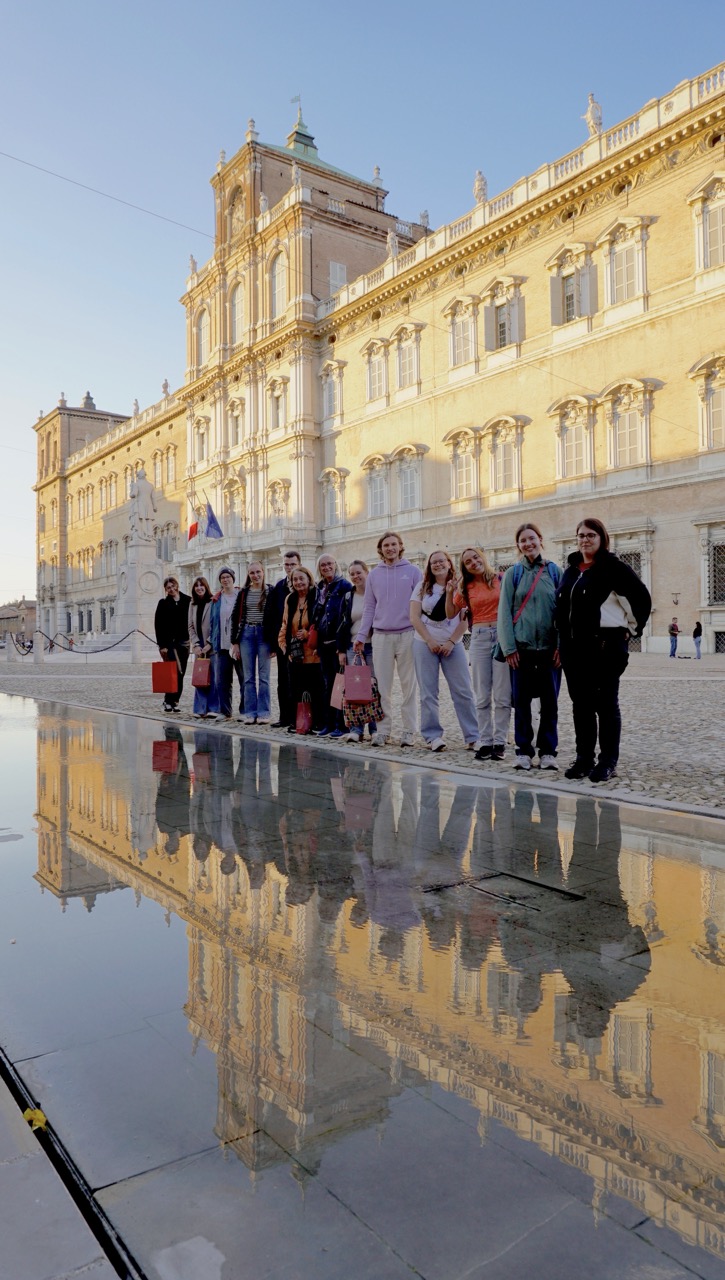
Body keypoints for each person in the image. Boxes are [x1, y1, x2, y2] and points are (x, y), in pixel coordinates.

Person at [555, 517, 651, 783]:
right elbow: (562, 606)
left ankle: (608, 760)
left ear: (601, 538)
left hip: (604, 647)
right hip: (573, 649)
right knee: (581, 706)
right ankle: (584, 758)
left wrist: (630, 629)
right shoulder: (572, 570)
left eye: (591, 535)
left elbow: (640, 598)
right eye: (581, 535)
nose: (585, 540)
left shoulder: (613, 568)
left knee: (606, 705)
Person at [496, 523, 562, 771]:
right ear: (518, 545)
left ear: (540, 540)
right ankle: (523, 751)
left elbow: (563, 613)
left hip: (548, 649)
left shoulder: (555, 572)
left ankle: (548, 752)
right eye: (523, 540)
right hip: (521, 650)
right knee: (521, 703)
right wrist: (509, 648)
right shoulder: (513, 574)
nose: (528, 544)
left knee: (550, 704)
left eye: (532, 538)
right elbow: (504, 612)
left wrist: (560, 646)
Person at [353, 531, 422, 746]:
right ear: (380, 549)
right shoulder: (374, 574)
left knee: (408, 686)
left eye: (393, 544)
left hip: (407, 634)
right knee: (383, 686)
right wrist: (362, 635)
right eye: (386, 545)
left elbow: (420, 604)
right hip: (381, 636)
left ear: (400, 546)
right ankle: (383, 730)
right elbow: (369, 607)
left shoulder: (413, 572)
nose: (390, 548)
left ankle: (409, 731)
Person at [446, 546, 512, 761]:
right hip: (480, 637)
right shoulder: (466, 587)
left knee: (502, 694)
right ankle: (486, 740)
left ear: (482, 557)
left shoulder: (501, 579)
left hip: (502, 636)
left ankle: (500, 741)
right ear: (465, 568)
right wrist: (449, 592)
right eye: (468, 561)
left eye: (475, 557)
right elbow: (450, 613)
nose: (474, 562)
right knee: (482, 693)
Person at [410, 550, 478, 752]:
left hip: (453, 643)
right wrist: (429, 640)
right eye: (433, 562)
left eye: (441, 561)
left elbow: (464, 618)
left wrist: (451, 641)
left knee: (463, 690)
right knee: (428, 692)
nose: (438, 564)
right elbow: (414, 617)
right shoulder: (422, 587)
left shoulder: (461, 585)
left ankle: (473, 735)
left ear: (450, 563)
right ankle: (432, 736)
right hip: (424, 642)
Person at [278, 566, 325, 733]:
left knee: (316, 689)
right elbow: (285, 623)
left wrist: (308, 634)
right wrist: (283, 645)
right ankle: (298, 721)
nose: (298, 582)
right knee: (296, 690)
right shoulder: (290, 599)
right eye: (295, 579)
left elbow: (321, 622)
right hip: (295, 653)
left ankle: (318, 722)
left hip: (313, 652)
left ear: (308, 579)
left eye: (301, 578)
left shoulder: (317, 594)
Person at [230, 562, 277, 724]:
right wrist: (234, 642)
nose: (255, 575)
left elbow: (276, 618)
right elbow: (235, 617)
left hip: (264, 635)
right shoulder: (243, 592)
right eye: (252, 573)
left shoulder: (271, 591)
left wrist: (274, 643)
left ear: (263, 572)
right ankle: (250, 712)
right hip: (246, 634)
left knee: (264, 677)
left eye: (258, 572)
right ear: (248, 575)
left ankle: (264, 712)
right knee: (248, 676)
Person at [337, 559, 378, 744]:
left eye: (358, 572)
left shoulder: (376, 594)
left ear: (367, 573)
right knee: (356, 688)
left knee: (375, 687)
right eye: (352, 574)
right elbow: (343, 624)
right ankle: (356, 729)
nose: (355, 576)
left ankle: (376, 729)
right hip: (353, 645)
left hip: (374, 644)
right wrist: (341, 649)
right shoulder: (348, 597)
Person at [313, 553, 352, 737]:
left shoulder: (344, 586)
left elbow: (346, 618)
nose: (327, 567)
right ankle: (328, 723)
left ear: (335, 565)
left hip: (337, 643)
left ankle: (342, 725)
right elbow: (318, 614)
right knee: (328, 685)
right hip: (323, 643)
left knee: (341, 685)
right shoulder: (321, 587)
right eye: (323, 565)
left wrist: (342, 646)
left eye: (329, 563)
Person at [267, 550, 302, 728]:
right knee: (283, 680)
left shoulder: (306, 585)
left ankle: (300, 718)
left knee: (300, 680)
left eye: (292, 564)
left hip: (302, 642)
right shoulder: (278, 587)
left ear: (299, 564)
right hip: (284, 642)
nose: (289, 568)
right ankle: (285, 717)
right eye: (287, 564)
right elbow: (271, 616)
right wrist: (274, 643)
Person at [208, 567, 242, 721]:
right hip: (221, 644)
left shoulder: (240, 595)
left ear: (233, 579)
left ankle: (246, 710)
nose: (225, 579)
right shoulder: (216, 599)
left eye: (228, 576)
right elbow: (212, 622)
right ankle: (225, 711)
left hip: (239, 644)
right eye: (222, 577)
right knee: (222, 680)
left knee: (244, 678)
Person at [154, 576, 192, 712]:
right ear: (165, 590)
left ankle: (175, 700)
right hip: (170, 643)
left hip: (185, 642)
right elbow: (158, 625)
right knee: (174, 671)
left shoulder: (188, 600)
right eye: (168, 588)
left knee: (181, 672)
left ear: (177, 585)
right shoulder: (163, 603)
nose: (171, 589)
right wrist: (162, 645)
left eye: (172, 586)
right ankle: (168, 700)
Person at [187, 576, 214, 718]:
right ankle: (200, 708)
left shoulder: (213, 602)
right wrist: (196, 644)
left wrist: (210, 643)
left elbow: (216, 624)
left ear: (206, 587)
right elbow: (190, 627)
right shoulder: (192, 605)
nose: (199, 588)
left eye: (201, 585)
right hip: (199, 646)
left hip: (211, 645)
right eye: (196, 586)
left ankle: (213, 708)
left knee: (213, 677)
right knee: (200, 677)